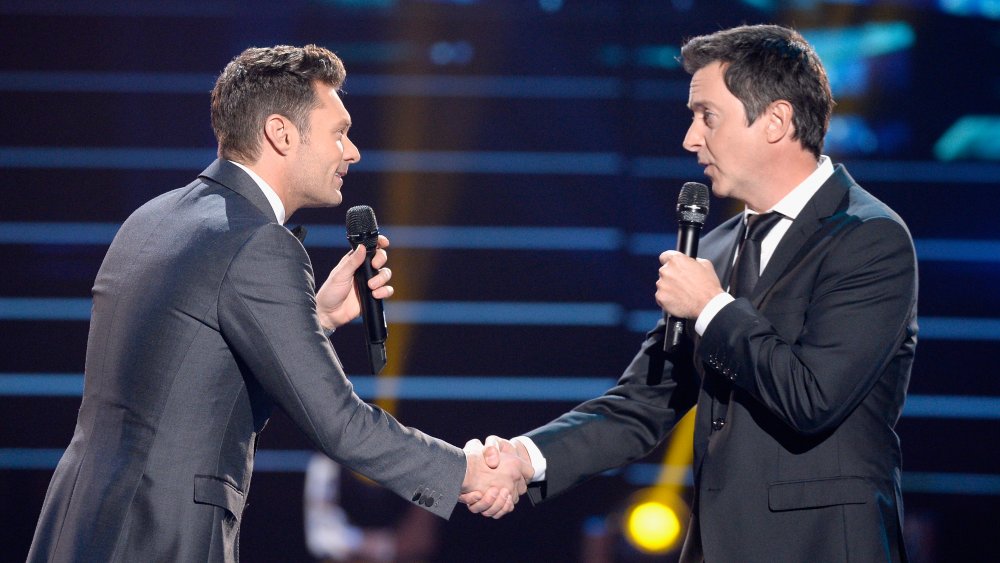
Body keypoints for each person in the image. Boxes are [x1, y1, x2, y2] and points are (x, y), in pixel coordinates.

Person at [27, 44, 528, 562]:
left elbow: (189, 372)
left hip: (78, 527)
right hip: (160, 535)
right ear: (281, 133)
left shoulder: (152, 219)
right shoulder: (259, 243)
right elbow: (339, 423)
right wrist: (465, 471)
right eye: (339, 132)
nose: (352, 151)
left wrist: (318, 317)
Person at [469, 24, 918, 562]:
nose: (690, 138)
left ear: (775, 121)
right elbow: (642, 401)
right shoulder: (717, 246)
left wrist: (711, 307)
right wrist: (526, 457)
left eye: (707, 115)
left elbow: (813, 399)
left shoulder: (868, 236)